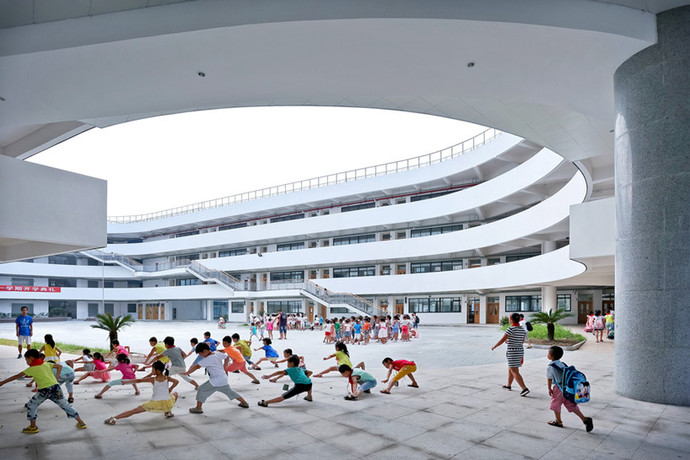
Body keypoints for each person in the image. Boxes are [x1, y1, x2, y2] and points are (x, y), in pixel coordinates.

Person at [0, 349, 87, 434]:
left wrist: (3, 382)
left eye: (26, 360)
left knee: (32, 405)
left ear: (31, 358)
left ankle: (33, 427)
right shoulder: (46, 364)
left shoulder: (31, 369)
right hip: (56, 388)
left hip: (44, 391)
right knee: (66, 405)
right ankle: (81, 423)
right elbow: (59, 366)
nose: (26, 362)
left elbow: (17, 376)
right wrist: (56, 377)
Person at [182, 342, 249, 413]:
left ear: (205, 351)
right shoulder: (216, 353)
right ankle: (244, 403)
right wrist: (225, 367)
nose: (201, 356)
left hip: (216, 380)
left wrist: (187, 373)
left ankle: (198, 408)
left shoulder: (208, 359)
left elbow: (196, 366)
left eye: (200, 354)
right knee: (230, 392)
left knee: (201, 389)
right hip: (223, 378)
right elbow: (226, 357)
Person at [104, 361, 179, 424]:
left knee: (134, 411)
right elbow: (176, 381)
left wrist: (126, 382)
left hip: (154, 403)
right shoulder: (167, 378)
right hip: (167, 402)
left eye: (152, 369)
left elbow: (139, 380)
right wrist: (170, 388)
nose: (152, 371)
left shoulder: (153, 379)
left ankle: (113, 418)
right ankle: (168, 412)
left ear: (158, 370)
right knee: (175, 394)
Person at [546, 346, 593, 432]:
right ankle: (585, 419)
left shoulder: (551, 367)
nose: (547, 354)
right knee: (571, 405)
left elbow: (549, 378)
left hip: (558, 389)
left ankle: (558, 422)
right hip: (567, 389)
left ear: (551, 356)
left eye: (548, 353)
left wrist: (549, 388)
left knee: (555, 404)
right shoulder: (562, 364)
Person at [492, 312, 530, 396]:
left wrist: (495, 346)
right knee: (511, 368)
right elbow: (522, 341)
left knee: (514, 370)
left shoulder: (510, 329)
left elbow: (502, 340)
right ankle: (508, 385)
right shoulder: (522, 330)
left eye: (510, 318)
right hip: (519, 351)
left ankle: (524, 388)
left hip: (512, 351)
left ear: (511, 320)